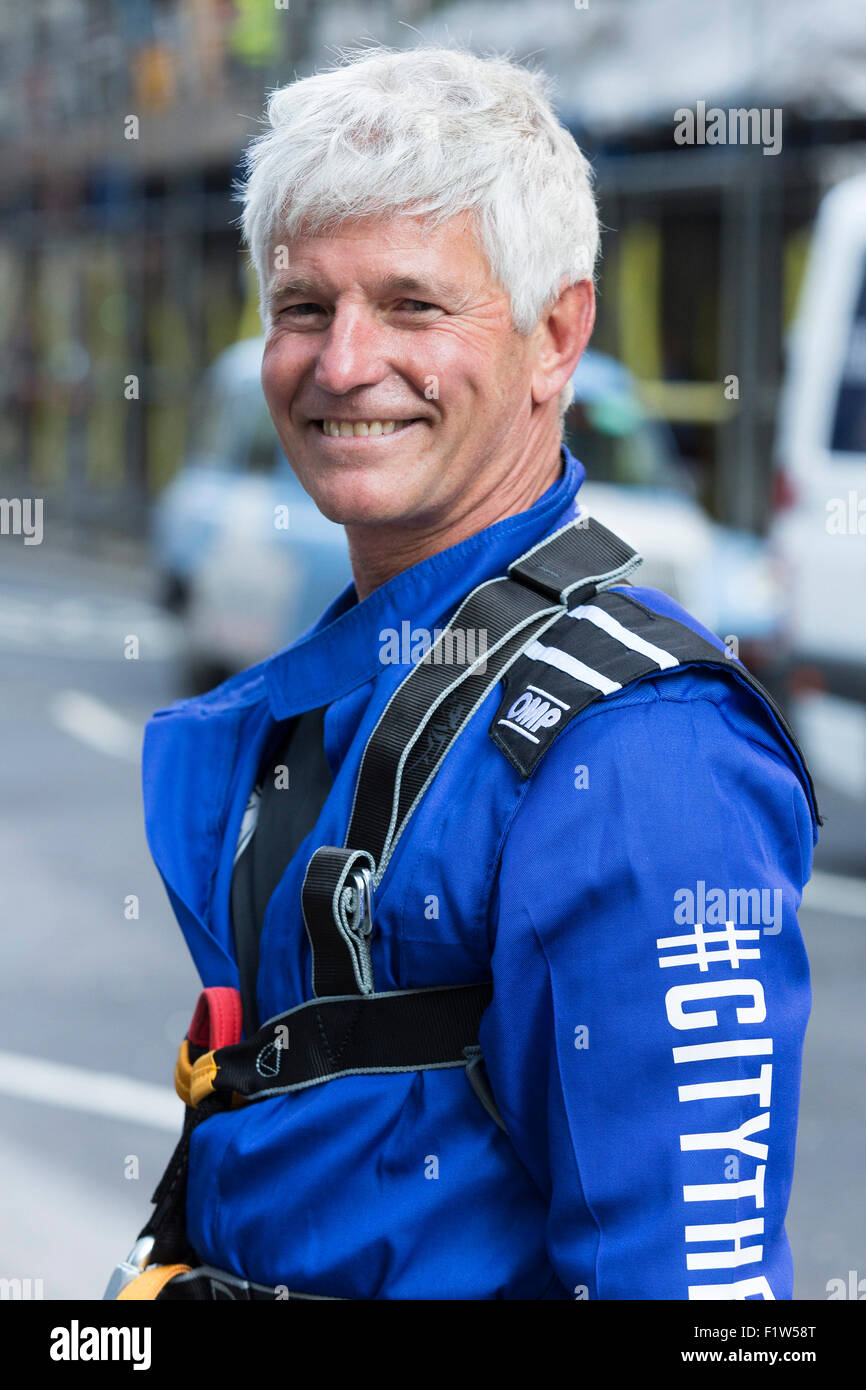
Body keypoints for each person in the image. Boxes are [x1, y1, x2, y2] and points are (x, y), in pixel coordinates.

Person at [132, 44, 819, 1300]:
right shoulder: (333, 697)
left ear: (556, 333)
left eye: (410, 305)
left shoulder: (639, 753)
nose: (342, 364)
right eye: (303, 308)